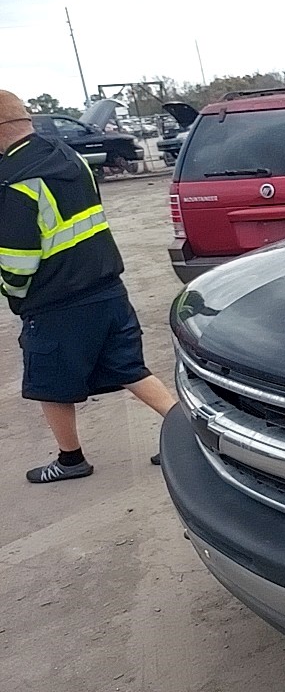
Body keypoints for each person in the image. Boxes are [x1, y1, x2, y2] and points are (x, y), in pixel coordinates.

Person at [0, 89, 177, 483]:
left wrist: (12, 292)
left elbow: (17, 264)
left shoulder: (13, 182)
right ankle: (190, 436)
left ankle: (70, 460)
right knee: (130, 368)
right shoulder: (70, 157)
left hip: (56, 302)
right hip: (107, 288)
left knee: (49, 384)